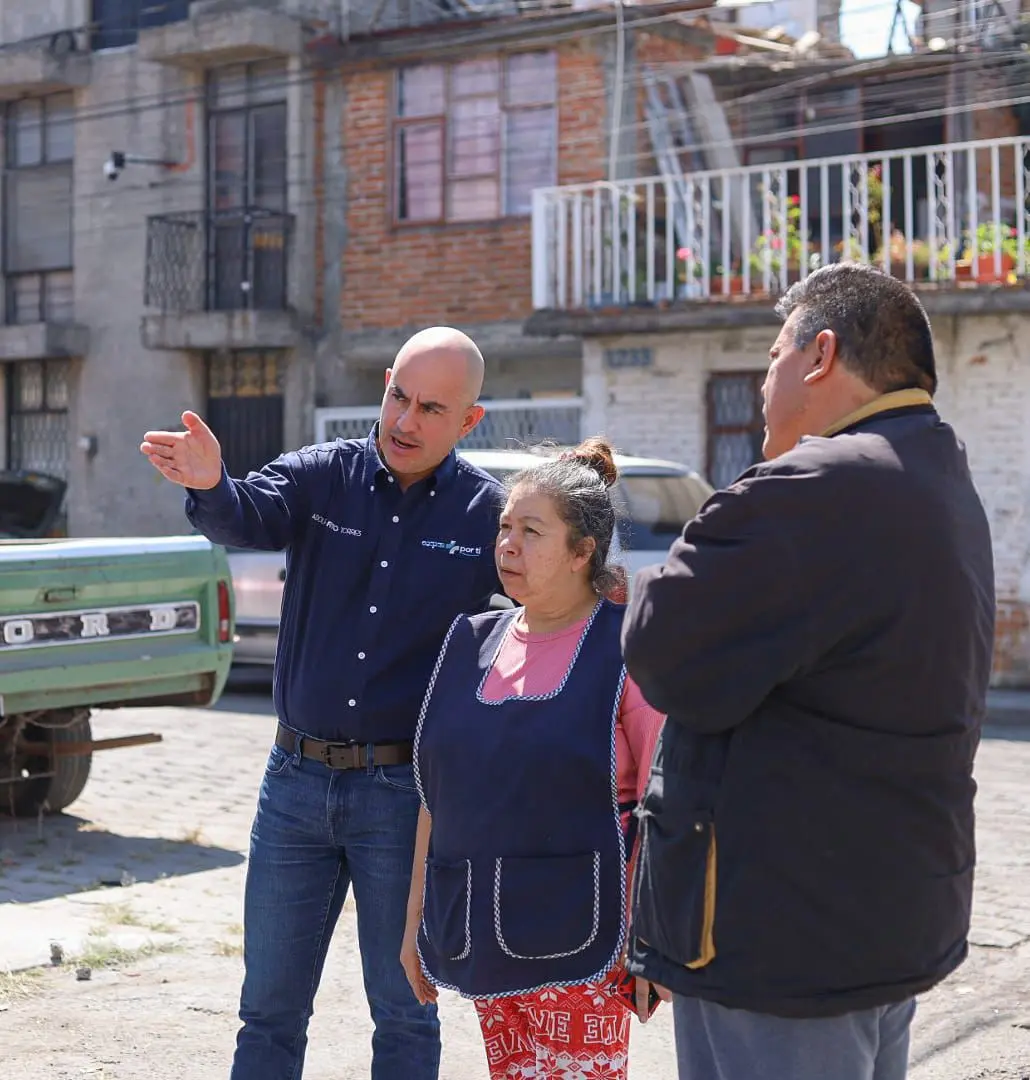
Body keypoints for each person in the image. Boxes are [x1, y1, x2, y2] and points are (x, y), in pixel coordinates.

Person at [621, 263, 996, 1080]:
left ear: (819, 354)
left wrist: (648, 582)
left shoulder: (817, 484)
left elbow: (664, 652)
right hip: (883, 917)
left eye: (771, 357)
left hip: (782, 940)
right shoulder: (938, 472)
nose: (763, 385)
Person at [140, 327, 505, 1080]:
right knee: (268, 1012)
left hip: (404, 797)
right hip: (294, 786)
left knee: (405, 1010)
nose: (404, 421)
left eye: (430, 409)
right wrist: (211, 486)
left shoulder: (485, 516)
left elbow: (538, 615)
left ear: (468, 421)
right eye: (397, 396)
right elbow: (245, 515)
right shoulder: (323, 476)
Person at [400, 438, 666, 1080]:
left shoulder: (625, 646)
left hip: (589, 941)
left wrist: (659, 942)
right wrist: (414, 926)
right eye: (504, 528)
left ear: (583, 552)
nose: (508, 546)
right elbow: (436, 800)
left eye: (530, 532)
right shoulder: (470, 643)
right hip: (484, 938)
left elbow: (669, 801)